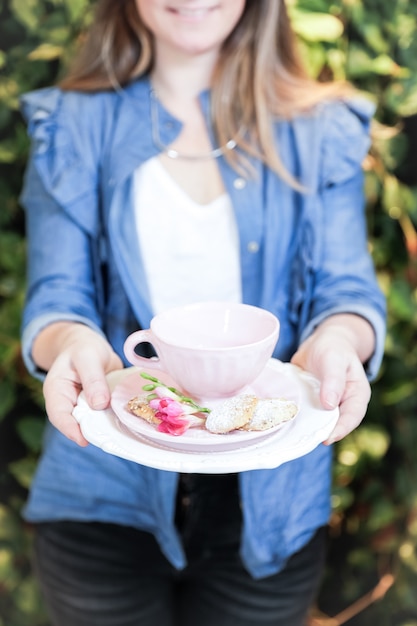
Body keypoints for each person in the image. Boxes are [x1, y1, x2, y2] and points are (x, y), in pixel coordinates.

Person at [19, 1, 386, 625]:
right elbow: (57, 297)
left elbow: (347, 291)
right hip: (101, 496)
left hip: (271, 510)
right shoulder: (72, 122)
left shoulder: (320, 127)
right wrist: (71, 342)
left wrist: (341, 340)